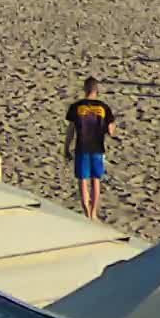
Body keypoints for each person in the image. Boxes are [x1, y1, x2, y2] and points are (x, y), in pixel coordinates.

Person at [64, 77, 117, 220]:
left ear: (84, 89)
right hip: (97, 148)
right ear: (96, 90)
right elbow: (111, 130)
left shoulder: (77, 106)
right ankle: (93, 212)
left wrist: (66, 147)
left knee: (83, 180)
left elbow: (71, 130)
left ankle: (87, 212)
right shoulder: (103, 107)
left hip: (82, 147)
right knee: (96, 180)